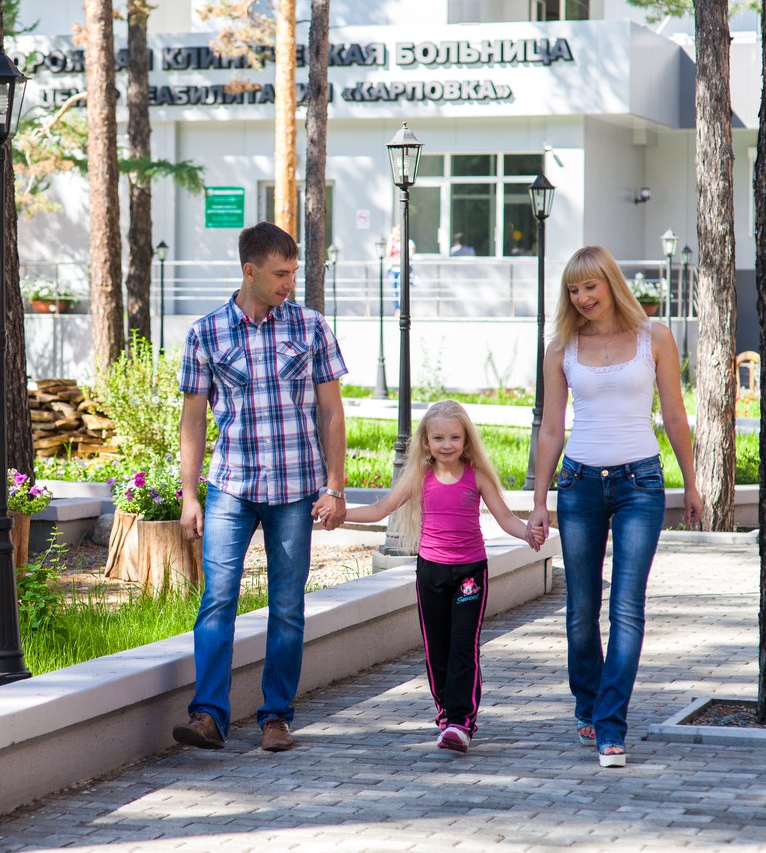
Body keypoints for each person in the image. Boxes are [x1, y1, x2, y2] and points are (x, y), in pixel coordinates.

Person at [172, 221, 349, 754]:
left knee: (287, 605)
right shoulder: (206, 333)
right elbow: (193, 419)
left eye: (294, 272)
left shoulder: (311, 326)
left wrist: (335, 486)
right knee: (218, 599)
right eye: (280, 274)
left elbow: (332, 412)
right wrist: (188, 494)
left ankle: (276, 717)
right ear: (249, 271)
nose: (289, 282)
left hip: (295, 488)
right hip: (231, 486)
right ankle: (208, 716)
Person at [527, 245, 701, 769]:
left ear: (610, 284)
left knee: (627, 606)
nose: (582, 298)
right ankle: (589, 702)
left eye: (590, 287)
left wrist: (691, 485)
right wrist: (538, 501)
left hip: (639, 484)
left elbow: (673, 414)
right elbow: (552, 427)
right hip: (578, 484)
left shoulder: (656, 337)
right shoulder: (561, 348)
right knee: (581, 609)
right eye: (574, 290)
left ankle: (610, 724)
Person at [340, 401, 540, 754]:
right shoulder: (420, 476)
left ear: (466, 440)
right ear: (426, 441)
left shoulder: (476, 476)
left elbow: (506, 518)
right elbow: (379, 510)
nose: (446, 445)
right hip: (430, 571)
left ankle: (462, 721)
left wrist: (527, 533)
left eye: (454, 437)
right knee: (437, 646)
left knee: (463, 643)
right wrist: (338, 515)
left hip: (469, 573)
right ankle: (445, 714)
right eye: (438, 438)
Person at [385, 225, 416, 312]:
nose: (396, 235)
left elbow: (410, 256)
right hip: (392, 270)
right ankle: (397, 309)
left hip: (403, 270)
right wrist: (390, 240)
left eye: (397, 232)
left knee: (401, 290)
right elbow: (388, 254)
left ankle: (403, 309)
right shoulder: (392, 243)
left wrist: (397, 261)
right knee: (393, 290)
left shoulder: (409, 243)